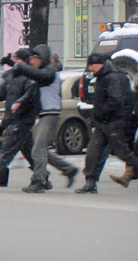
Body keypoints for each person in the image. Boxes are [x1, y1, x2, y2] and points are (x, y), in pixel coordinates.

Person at [14, 45, 80, 192]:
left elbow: (39, 76)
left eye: (34, 58)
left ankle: (39, 181)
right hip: (44, 114)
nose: (32, 61)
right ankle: (68, 169)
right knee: (40, 149)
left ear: (42, 58)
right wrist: (20, 102)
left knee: (38, 149)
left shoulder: (49, 71)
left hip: (51, 114)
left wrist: (20, 67)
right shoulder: (40, 72)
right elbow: (32, 91)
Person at [75, 52, 138, 193]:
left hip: (114, 122)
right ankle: (90, 182)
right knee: (93, 152)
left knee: (122, 152)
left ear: (101, 64)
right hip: (104, 122)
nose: (90, 68)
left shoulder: (112, 78)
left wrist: (101, 112)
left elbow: (115, 101)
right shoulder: (105, 77)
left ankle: (91, 181)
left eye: (92, 65)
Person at [0, 47, 41, 190]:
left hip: (21, 119)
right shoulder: (13, 77)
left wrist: (21, 109)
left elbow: (30, 99)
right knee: (30, 153)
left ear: (24, 62)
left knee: (7, 151)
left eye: (17, 60)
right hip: (15, 119)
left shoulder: (29, 79)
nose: (15, 62)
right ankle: (43, 177)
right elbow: (0, 92)